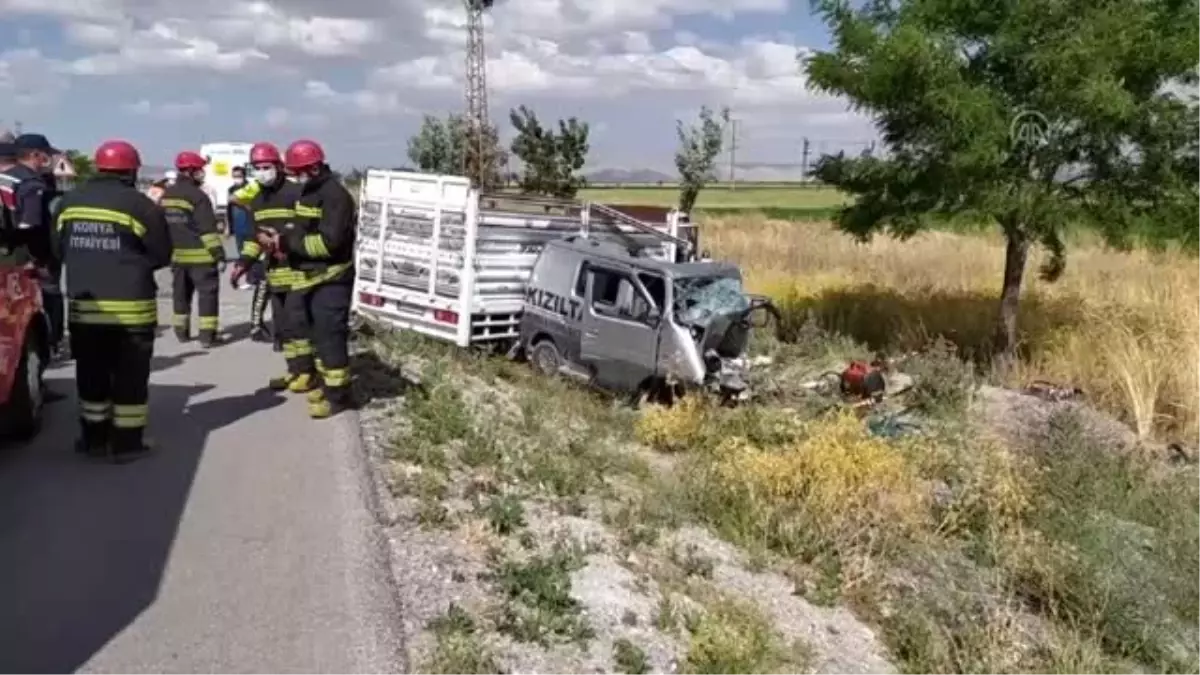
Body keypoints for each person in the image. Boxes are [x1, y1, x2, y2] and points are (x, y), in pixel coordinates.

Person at [51, 139, 171, 462]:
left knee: (91, 374)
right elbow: (161, 255)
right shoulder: (142, 206)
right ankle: (127, 444)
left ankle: (93, 440)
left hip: (84, 309)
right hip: (132, 309)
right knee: (130, 378)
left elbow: (57, 250)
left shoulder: (68, 202)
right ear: (132, 170)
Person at [258, 139, 356, 418]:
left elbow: (327, 244)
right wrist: (280, 240)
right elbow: (300, 229)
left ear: (313, 168)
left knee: (330, 337)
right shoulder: (309, 192)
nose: (295, 176)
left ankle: (339, 399)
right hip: (312, 277)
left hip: (332, 279)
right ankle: (326, 386)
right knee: (314, 334)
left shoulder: (335, 196)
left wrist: (286, 243)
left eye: (298, 170)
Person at [230, 142, 314, 388]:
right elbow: (257, 238)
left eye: (266, 166)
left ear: (279, 167)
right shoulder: (256, 200)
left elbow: (309, 231)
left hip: (300, 273)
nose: (261, 172)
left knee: (300, 326)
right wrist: (243, 263)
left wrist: (285, 243)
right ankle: (294, 371)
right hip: (275, 276)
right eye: (256, 168)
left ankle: (308, 372)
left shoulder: (296, 193)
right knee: (284, 328)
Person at [0, 134, 65, 354]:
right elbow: (31, 226)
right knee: (42, 304)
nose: (50, 160)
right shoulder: (31, 184)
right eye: (48, 155)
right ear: (36, 155)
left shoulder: (6, 178)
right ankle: (49, 346)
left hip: (7, 255)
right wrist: (38, 259)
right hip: (27, 259)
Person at [162, 150, 226, 347]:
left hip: (178, 257)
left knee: (180, 296)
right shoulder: (198, 196)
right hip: (202, 258)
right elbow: (207, 229)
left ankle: (181, 332)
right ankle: (207, 337)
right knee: (207, 296)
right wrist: (219, 254)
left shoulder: (167, 195)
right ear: (190, 171)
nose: (202, 173)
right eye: (199, 170)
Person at [227, 165, 255, 290]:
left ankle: (252, 279)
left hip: (248, 223)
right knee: (240, 252)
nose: (236, 178)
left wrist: (238, 201)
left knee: (250, 252)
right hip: (237, 224)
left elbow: (251, 205)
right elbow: (229, 208)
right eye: (234, 176)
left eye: (239, 176)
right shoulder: (231, 189)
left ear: (244, 176)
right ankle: (241, 276)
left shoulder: (250, 188)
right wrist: (228, 226)